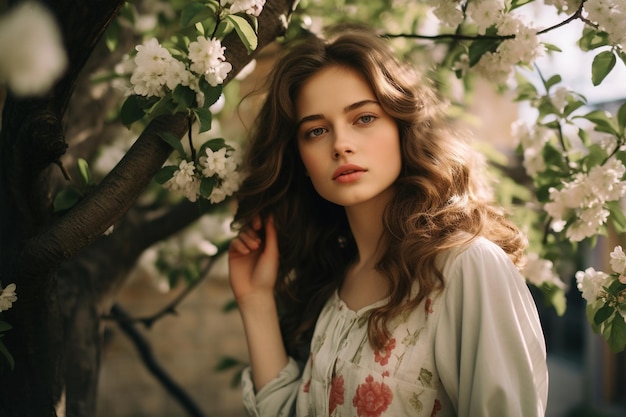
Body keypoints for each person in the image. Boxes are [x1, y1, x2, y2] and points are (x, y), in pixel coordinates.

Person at [228, 26, 548, 417]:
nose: (340, 144)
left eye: (363, 118)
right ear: (300, 159)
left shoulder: (466, 267)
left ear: (403, 126)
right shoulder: (333, 281)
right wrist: (255, 300)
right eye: (316, 130)